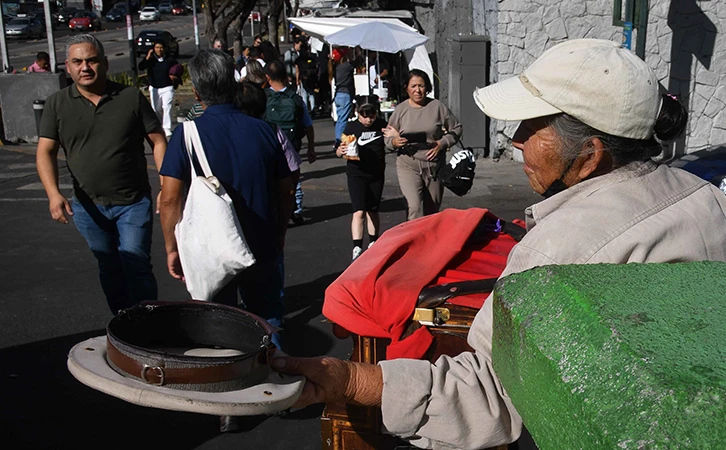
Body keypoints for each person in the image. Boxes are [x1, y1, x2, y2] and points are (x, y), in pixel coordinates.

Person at [269, 39, 726, 449]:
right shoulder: (706, 197)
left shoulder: (557, 251)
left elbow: (489, 394)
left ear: (589, 156)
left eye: (532, 126)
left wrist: (349, 379)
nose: (517, 139)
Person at [159, 49, 294, 334]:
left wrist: (172, 247)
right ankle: (278, 372)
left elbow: (170, 199)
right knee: (268, 320)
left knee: (219, 324)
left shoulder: (186, 134)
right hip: (262, 240)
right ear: (234, 87)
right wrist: (280, 232)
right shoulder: (266, 130)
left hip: (212, 246)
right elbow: (285, 191)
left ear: (196, 93)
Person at [36, 34, 166, 314]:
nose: (85, 67)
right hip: (88, 208)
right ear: (67, 67)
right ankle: (122, 323)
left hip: (132, 202)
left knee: (136, 263)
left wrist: (166, 186)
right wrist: (53, 194)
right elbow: (45, 151)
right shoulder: (57, 104)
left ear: (105, 63)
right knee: (109, 267)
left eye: (92, 60)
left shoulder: (129, 97)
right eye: (77, 62)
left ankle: (150, 325)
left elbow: (158, 141)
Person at [384, 69, 462, 221]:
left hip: (434, 165)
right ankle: (414, 243)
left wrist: (441, 143)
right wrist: (394, 141)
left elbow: (457, 128)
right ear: (406, 87)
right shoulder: (401, 110)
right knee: (414, 207)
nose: (417, 90)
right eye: (413, 86)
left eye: (421, 86)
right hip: (408, 163)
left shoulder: (437, 107)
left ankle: (429, 242)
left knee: (432, 210)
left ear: (427, 88)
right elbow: (387, 138)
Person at [265, 60, 317, 225]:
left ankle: (277, 210)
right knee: (294, 176)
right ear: (286, 76)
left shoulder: (265, 98)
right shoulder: (295, 99)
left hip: (270, 145)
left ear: (267, 77)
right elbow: (308, 125)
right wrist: (311, 148)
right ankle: (296, 210)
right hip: (292, 144)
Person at [335, 95, 387, 261]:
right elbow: (339, 148)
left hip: (377, 173)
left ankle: (373, 242)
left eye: (371, 114)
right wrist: (341, 151)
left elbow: (392, 140)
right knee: (359, 211)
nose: (368, 119)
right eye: (364, 115)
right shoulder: (351, 127)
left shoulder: (382, 125)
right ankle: (357, 246)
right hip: (356, 173)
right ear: (357, 113)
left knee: (373, 209)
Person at [138, 40, 180, 138]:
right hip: (155, 88)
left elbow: (178, 68)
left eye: (161, 47)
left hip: (167, 87)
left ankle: (166, 128)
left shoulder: (169, 59)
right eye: (157, 47)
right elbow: (141, 67)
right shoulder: (151, 60)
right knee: (156, 109)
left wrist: (175, 76)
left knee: (167, 106)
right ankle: (160, 125)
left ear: (164, 49)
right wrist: (147, 57)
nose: (159, 50)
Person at [333, 47, 355, 149]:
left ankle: (338, 139)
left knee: (340, 119)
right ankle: (339, 141)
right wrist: (354, 51)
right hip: (344, 95)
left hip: (339, 94)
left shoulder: (337, 67)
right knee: (343, 120)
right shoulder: (345, 66)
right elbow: (357, 62)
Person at [295, 47, 319, 115]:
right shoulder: (311, 58)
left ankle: (305, 109)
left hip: (303, 77)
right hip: (311, 78)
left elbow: (297, 71)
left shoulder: (299, 60)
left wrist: (297, 80)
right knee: (311, 93)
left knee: (304, 94)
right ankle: (313, 108)